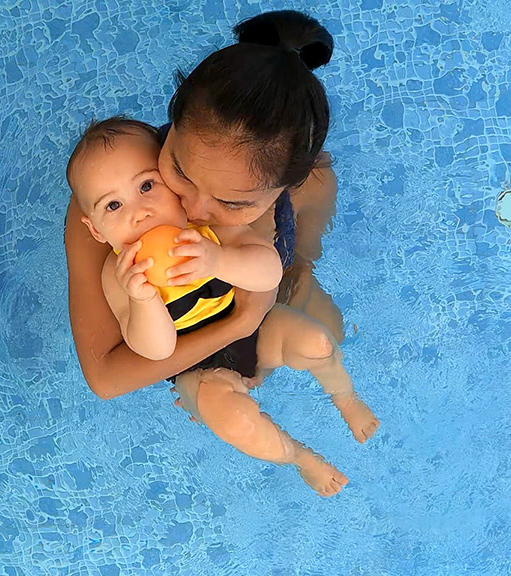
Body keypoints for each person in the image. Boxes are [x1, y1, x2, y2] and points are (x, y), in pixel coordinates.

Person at [65, 11, 375, 496]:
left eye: (233, 202)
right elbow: (106, 377)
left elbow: (278, 250)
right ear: (170, 132)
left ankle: (339, 386)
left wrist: (286, 273)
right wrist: (239, 323)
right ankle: (298, 455)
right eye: (180, 172)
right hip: (206, 350)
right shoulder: (114, 192)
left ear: (281, 190)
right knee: (226, 411)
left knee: (324, 335)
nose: (194, 209)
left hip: (263, 281)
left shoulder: (298, 179)